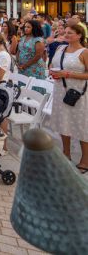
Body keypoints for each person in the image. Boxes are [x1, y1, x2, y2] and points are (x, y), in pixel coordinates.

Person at [49, 24, 88, 173]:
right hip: (61, 90)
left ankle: (85, 160)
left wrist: (67, 74)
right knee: (63, 122)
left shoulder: (84, 52)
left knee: (81, 124)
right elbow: (54, 64)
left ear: (79, 35)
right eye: (65, 32)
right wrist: (53, 72)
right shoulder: (60, 48)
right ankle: (66, 154)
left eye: (70, 33)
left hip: (78, 93)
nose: (66, 35)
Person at [17, 20, 47, 89]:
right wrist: (18, 61)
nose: (26, 29)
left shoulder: (38, 40)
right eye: (25, 27)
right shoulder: (23, 37)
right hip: (22, 67)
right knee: (23, 86)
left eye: (28, 27)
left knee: (33, 87)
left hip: (34, 67)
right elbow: (19, 50)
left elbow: (38, 56)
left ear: (34, 28)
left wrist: (25, 65)